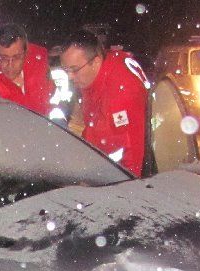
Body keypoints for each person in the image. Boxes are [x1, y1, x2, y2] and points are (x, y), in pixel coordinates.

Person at [59, 29, 149, 177]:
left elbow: (131, 156)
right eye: (66, 70)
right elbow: (93, 125)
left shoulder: (119, 93)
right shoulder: (95, 75)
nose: (70, 76)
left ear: (95, 61)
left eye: (74, 69)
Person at [0, 24, 54, 116]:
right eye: (3, 58)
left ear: (26, 53)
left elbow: (55, 101)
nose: (10, 65)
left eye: (16, 57)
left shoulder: (43, 70)